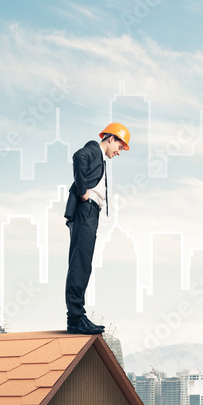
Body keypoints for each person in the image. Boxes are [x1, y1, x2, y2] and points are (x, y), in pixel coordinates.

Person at [64, 122, 130, 335]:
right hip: (86, 210)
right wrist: (83, 191)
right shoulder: (93, 149)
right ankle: (75, 318)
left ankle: (77, 316)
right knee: (80, 264)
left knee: (83, 263)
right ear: (111, 138)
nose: (119, 153)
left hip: (90, 213)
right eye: (120, 147)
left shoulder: (100, 158)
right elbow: (78, 156)